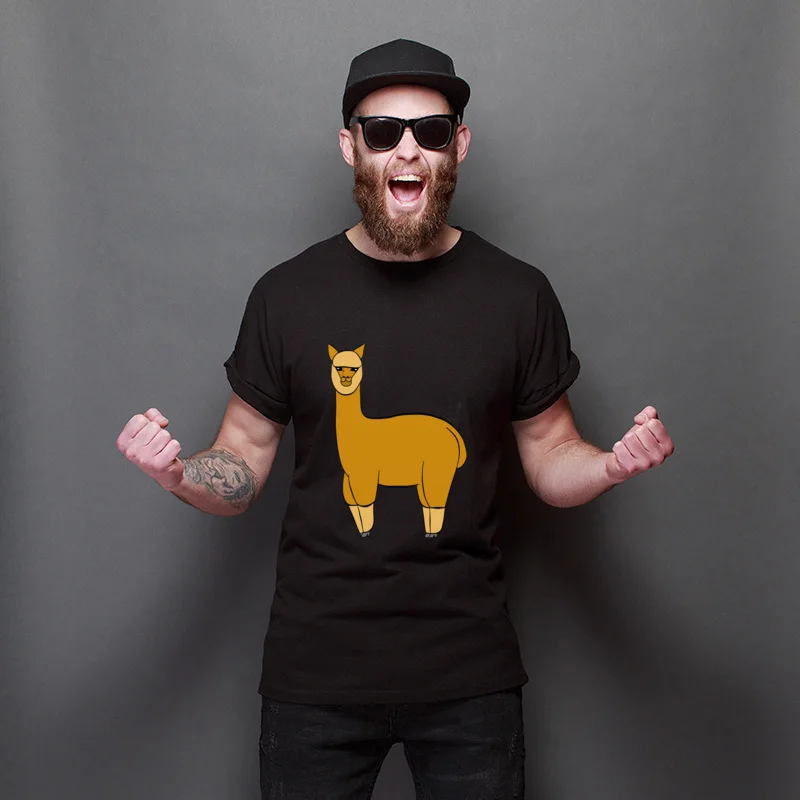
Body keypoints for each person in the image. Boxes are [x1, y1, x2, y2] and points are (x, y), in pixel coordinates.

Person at [116, 38, 674, 800]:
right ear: (351, 147)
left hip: (469, 673)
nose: (407, 150)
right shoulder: (286, 296)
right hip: (316, 674)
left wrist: (610, 464)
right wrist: (179, 474)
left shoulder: (518, 296)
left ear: (458, 146)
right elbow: (241, 458)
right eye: (382, 132)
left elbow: (551, 455)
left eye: (430, 131)